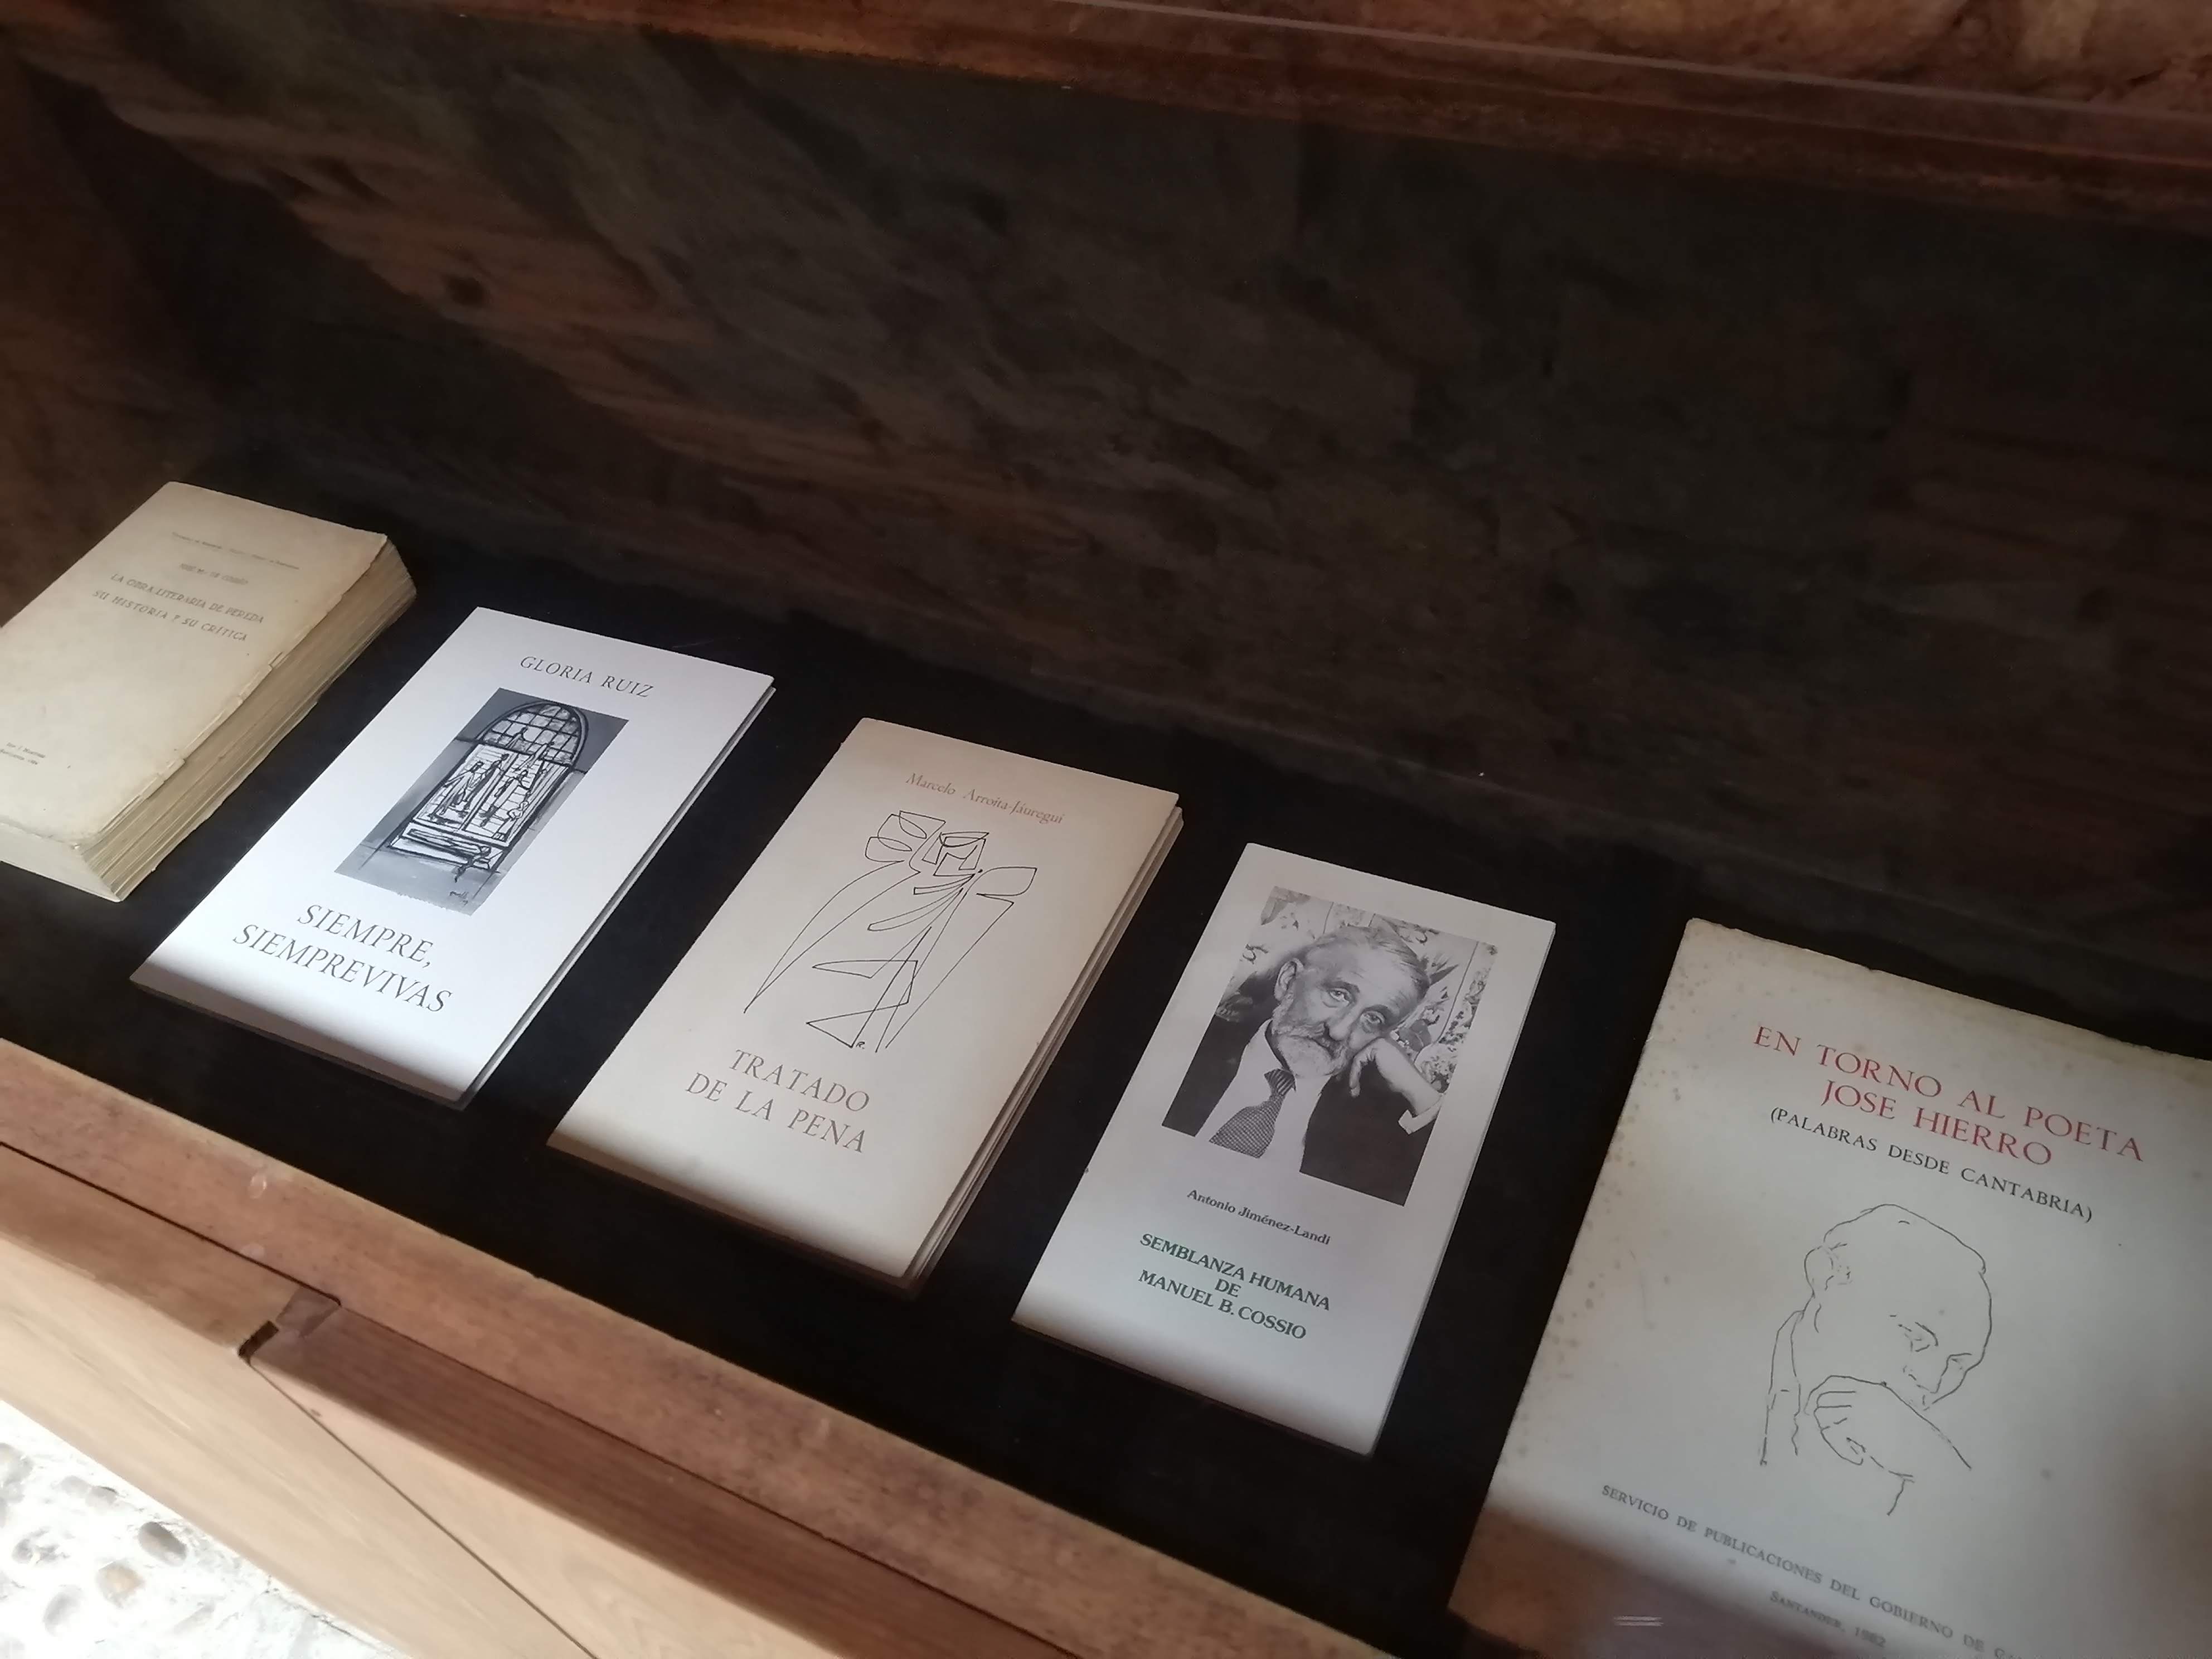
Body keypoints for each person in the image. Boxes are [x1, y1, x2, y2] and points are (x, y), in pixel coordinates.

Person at [1162, 924, 1443, 1204]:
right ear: (1288, 981)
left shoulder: (1372, 1131)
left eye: (1374, 1019)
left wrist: (1422, 1094)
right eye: (1339, 994)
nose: (1339, 1031)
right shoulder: (1185, 1041)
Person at [1760, 1204, 1991, 1516]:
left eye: (1958, 1365)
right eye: (1914, 1337)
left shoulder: (1919, 1461)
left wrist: (1938, 1471)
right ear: (1828, 1278)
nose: (1932, 1382)